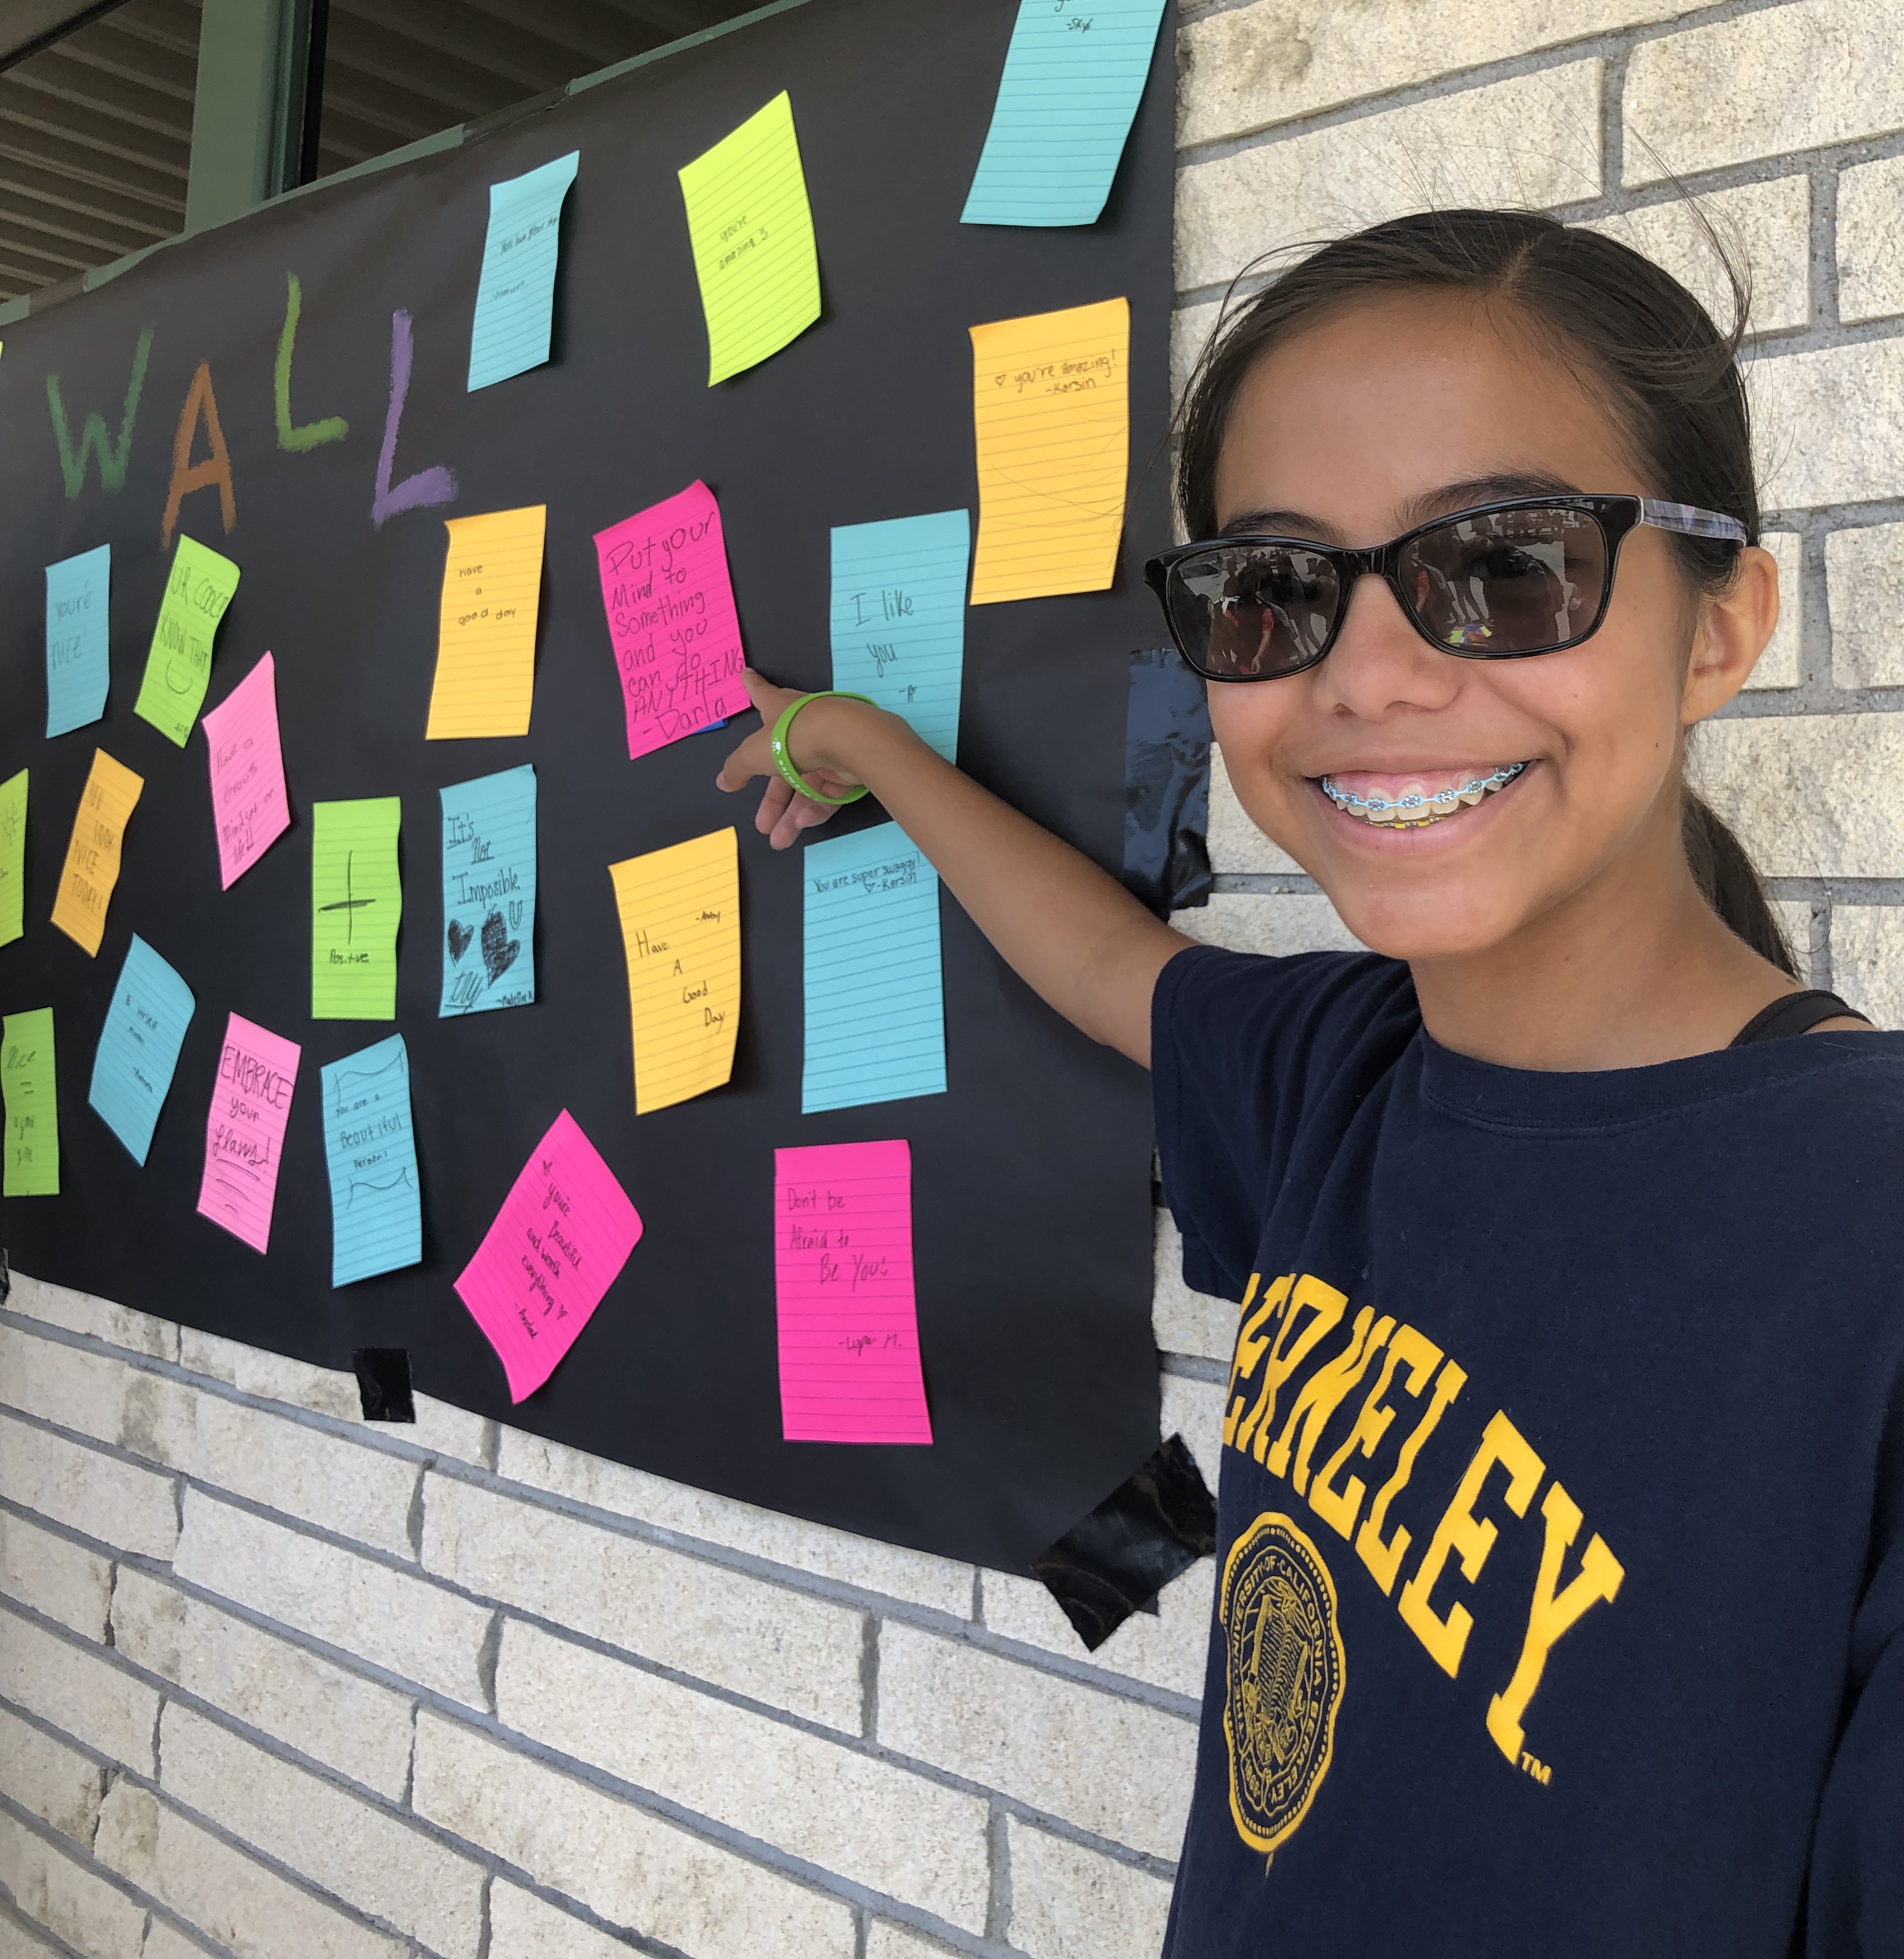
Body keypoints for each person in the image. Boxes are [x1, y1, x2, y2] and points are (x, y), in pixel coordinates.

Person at [717, 210, 1903, 1958]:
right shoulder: (1344, 1078)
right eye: (1272, 591)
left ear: (1720, 630)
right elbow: (1110, 966)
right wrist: (866, 746)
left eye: (1508, 565)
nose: (1367, 678)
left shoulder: (1862, 1232)